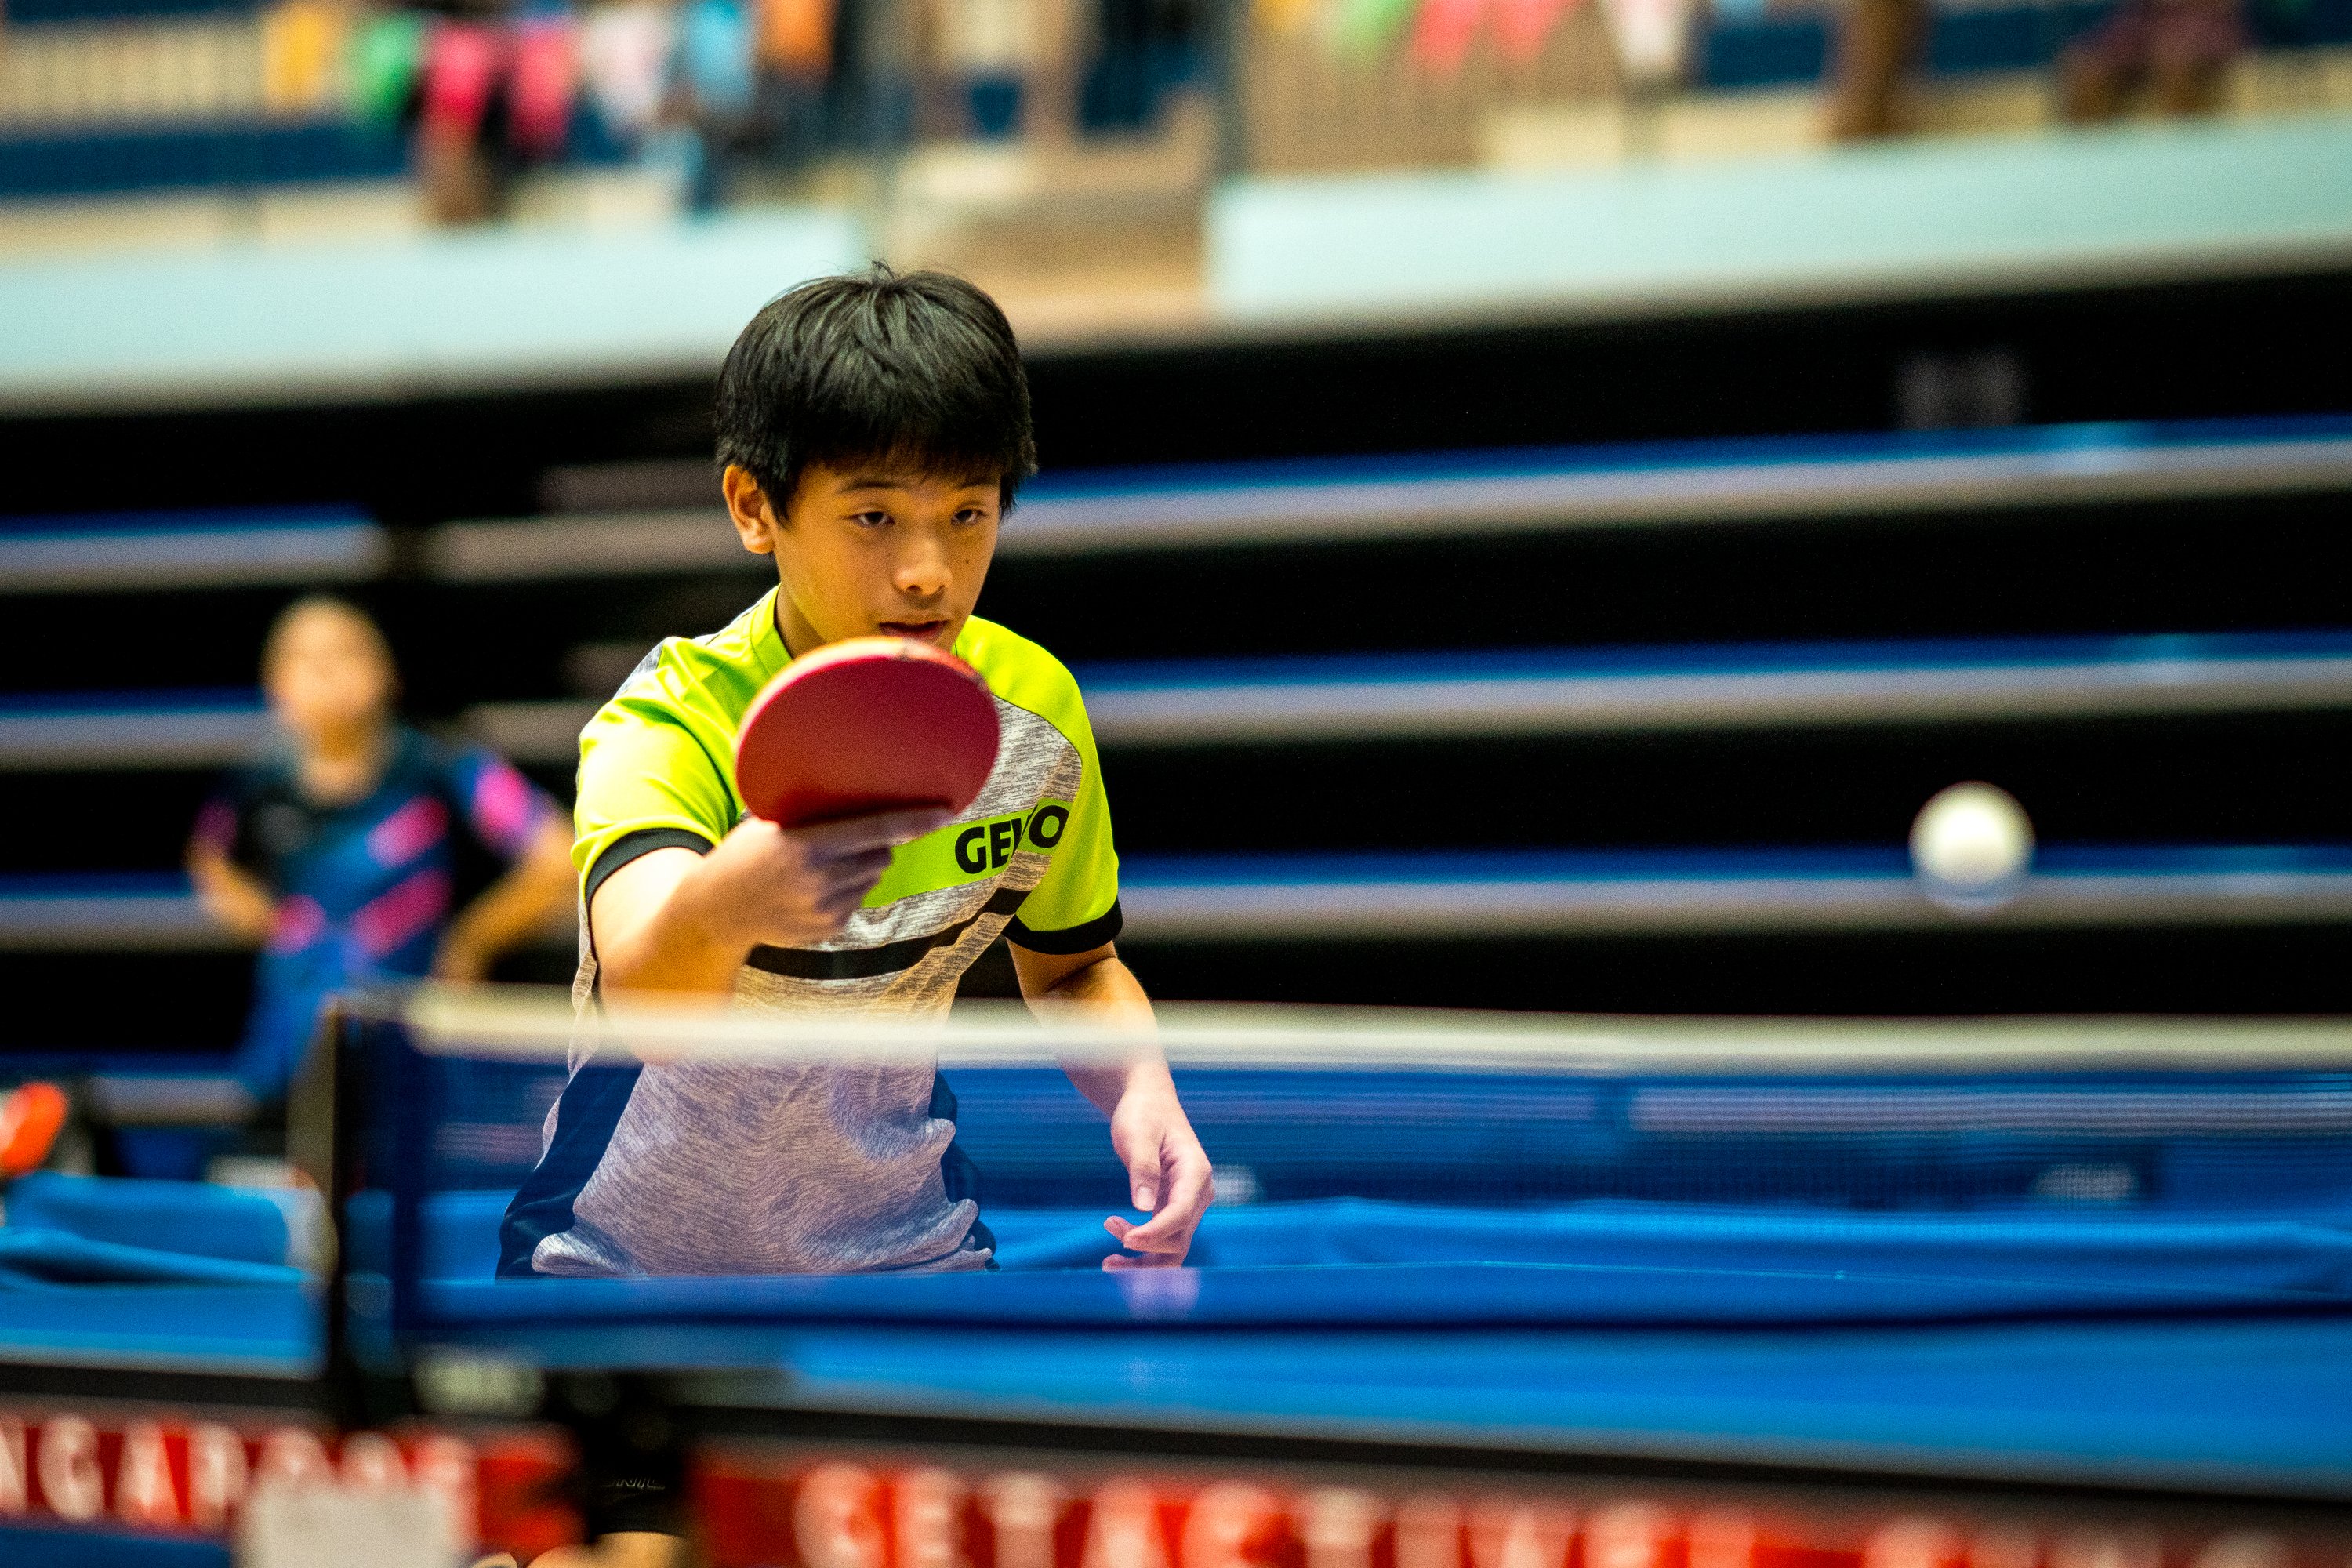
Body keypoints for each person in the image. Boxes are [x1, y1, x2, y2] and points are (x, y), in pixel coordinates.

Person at [189, 597, 577, 1101]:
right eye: (305, 658)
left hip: (413, 1051)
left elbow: (556, 851)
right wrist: (263, 921)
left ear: (386, 672)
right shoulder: (256, 784)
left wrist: (470, 942)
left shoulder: (442, 767)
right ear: (274, 683)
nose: (326, 672)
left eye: (346, 653)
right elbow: (208, 858)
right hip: (287, 1055)